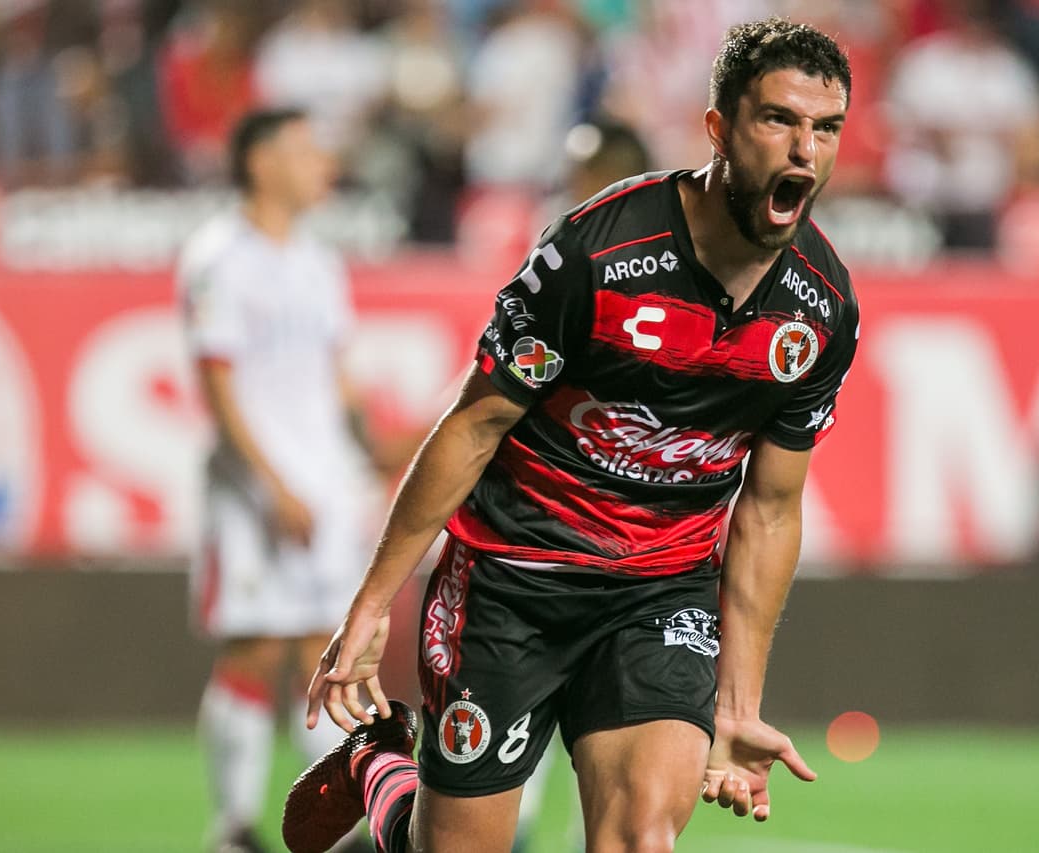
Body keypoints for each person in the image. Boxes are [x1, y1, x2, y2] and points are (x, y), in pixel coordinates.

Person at [291, 18, 859, 853]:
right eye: (778, 119)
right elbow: (475, 423)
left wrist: (738, 705)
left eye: (826, 127)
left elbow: (771, 509)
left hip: (658, 594)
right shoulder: (597, 254)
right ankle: (386, 775)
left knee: (640, 838)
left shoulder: (821, 306)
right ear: (718, 130)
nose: (805, 149)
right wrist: (374, 602)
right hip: (514, 581)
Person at [178, 108, 373, 853]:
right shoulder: (220, 258)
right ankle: (232, 827)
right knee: (254, 648)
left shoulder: (320, 263)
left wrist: (377, 446)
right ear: (259, 163)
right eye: (303, 148)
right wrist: (269, 486)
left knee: (323, 652)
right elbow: (217, 383)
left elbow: (339, 379)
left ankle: (322, 828)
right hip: (251, 496)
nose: (321, 161)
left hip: (323, 487)